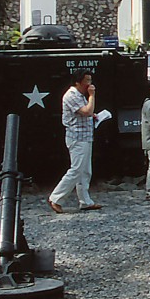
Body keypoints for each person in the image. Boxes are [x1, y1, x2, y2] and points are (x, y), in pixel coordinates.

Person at [48, 70, 102, 212]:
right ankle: (56, 198)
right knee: (76, 169)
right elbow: (86, 111)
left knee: (85, 171)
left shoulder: (79, 96)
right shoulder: (72, 95)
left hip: (85, 136)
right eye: (87, 80)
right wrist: (92, 96)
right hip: (77, 138)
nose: (90, 84)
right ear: (78, 82)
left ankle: (85, 201)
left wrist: (93, 116)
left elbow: (86, 113)